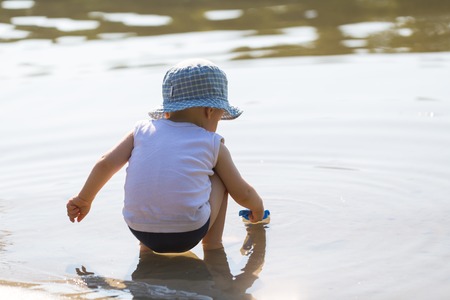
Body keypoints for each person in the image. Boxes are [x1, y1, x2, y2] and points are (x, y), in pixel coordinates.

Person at [66, 58, 265, 253]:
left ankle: (146, 252)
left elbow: (105, 164)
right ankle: (212, 245)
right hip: (189, 231)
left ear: (168, 111)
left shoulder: (141, 131)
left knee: (155, 174)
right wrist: (257, 207)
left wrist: (84, 199)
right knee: (222, 178)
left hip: (139, 229)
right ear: (210, 111)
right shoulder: (211, 142)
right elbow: (242, 192)